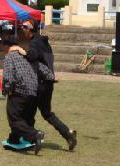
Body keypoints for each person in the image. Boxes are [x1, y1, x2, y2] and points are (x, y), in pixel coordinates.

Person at [15, 19, 77, 151]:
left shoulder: (35, 42)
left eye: (25, 27)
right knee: (47, 113)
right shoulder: (44, 42)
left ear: (31, 29)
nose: (22, 29)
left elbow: (32, 56)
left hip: (40, 83)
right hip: (48, 83)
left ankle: (31, 139)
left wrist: (20, 50)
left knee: (28, 112)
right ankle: (67, 133)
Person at [2, 37, 53, 155]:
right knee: (22, 118)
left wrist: (7, 89)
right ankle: (13, 140)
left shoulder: (10, 56)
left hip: (19, 91)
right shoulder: (27, 55)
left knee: (14, 119)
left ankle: (35, 135)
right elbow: (45, 71)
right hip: (33, 91)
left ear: (6, 46)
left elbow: (8, 75)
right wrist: (51, 78)